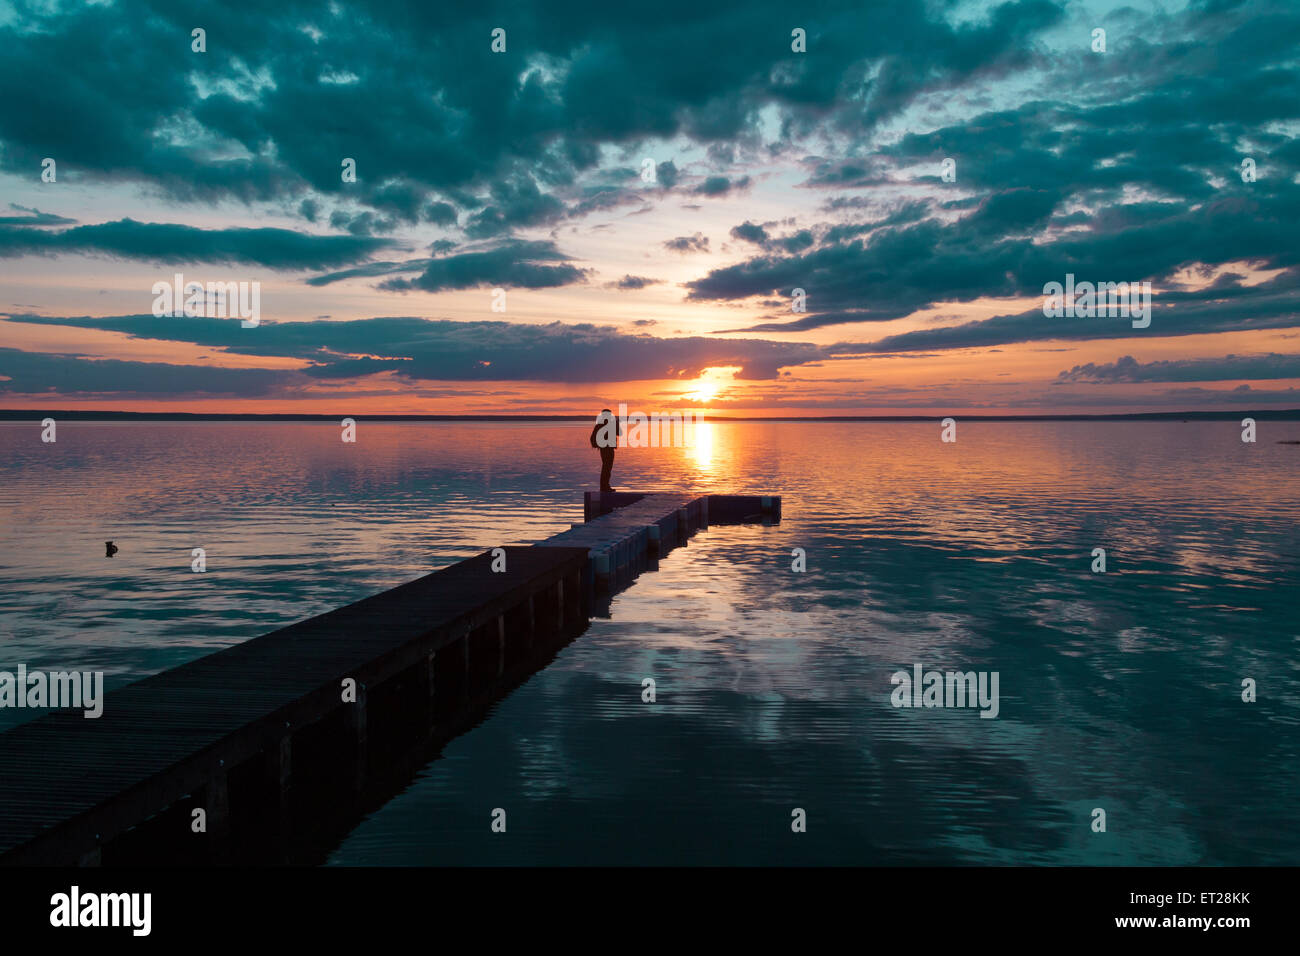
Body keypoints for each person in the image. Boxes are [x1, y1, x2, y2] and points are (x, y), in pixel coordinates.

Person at [590, 408, 621, 492]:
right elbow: (619, 433)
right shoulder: (609, 425)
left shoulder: (601, 425)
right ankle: (605, 487)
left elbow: (618, 433)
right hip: (607, 449)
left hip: (606, 449)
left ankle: (605, 487)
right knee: (607, 468)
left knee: (606, 468)